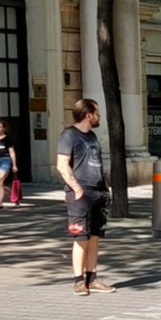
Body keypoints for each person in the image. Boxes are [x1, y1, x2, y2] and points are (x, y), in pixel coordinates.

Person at [57, 98, 115, 296]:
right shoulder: (69, 135)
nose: (99, 117)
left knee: (94, 237)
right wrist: (76, 189)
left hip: (98, 191)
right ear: (88, 115)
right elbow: (62, 164)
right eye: (97, 113)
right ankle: (78, 281)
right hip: (81, 193)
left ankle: (92, 277)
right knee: (81, 237)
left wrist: (105, 190)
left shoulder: (92, 136)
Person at [0, 118, 20, 209]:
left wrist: (14, 164)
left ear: (4, 129)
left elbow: (12, 152)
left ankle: (0, 203)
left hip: (5, 160)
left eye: (0, 127)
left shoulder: (7, 139)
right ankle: (13, 195)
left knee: (0, 180)